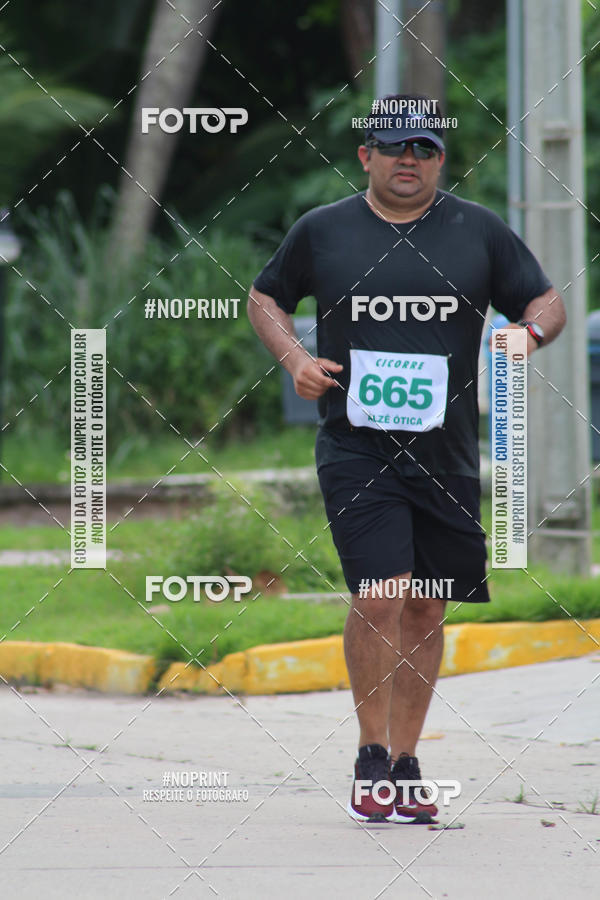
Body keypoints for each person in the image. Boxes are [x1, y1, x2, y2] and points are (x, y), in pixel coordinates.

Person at [247, 94, 566, 824]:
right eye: (394, 148)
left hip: (447, 455)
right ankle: (369, 754)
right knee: (381, 595)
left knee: (424, 606)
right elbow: (264, 298)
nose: (408, 161)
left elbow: (545, 300)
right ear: (366, 156)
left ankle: (405, 762)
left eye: (423, 149)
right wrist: (294, 356)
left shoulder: (477, 232)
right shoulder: (322, 231)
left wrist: (529, 336)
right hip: (357, 447)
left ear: (440, 159)